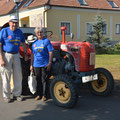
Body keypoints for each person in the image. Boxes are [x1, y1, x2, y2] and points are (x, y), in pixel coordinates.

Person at [0, 15, 28, 103]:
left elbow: (23, 43)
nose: (14, 24)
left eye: (16, 23)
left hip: (16, 55)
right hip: (6, 55)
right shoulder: (4, 31)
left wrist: (26, 54)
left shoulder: (19, 32)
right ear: (9, 23)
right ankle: (7, 96)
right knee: (6, 77)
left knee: (18, 76)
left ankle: (16, 94)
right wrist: (1, 59)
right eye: (13, 22)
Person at [30, 26, 54, 101]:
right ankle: (38, 94)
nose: (39, 34)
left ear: (43, 33)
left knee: (44, 80)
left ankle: (44, 95)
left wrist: (50, 62)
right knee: (38, 79)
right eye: (38, 33)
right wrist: (31, 65)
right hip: (36, 64)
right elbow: (32, 55)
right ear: (36, 34)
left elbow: (51, 52)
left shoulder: (46, 41)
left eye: (41, 32)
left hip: (45, 64)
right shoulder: (34, 43)